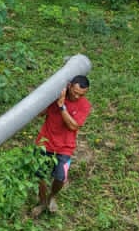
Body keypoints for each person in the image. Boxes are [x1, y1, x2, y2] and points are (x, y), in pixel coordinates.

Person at [30, 75, 92, 217]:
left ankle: (52, 196)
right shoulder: (55, 97)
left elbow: (73, 126)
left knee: (61, 177)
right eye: (75, 92)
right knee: (39, 175)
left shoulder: (84, 105)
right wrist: (48, 98)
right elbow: (39, 113)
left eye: (81, 94)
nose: (77, 96)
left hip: (65, 147)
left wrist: (62, 106)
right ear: (69, 86)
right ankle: (42, 202)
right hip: (44, 143)